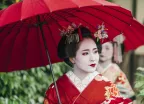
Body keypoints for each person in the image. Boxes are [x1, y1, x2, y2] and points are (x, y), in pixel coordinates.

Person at [44, 23, 132, 104]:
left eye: (95, 51)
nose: (93, 58)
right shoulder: (55, 90)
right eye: (85, 53)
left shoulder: (109, 88)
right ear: (72, 58)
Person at [97, 35, 136, 102]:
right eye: (100, 47)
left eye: (107, 48)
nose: (102, 51)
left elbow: (130, 95)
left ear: (114, 51)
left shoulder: (116, 70)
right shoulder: (92, 67)